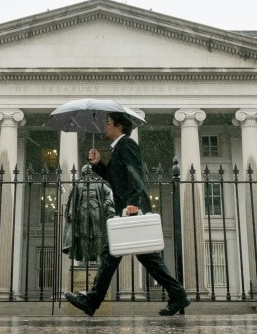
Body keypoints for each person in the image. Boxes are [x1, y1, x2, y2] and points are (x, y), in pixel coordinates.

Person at [64, 112, 191, 316]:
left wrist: (133, 203)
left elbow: (135, 174)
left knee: (111, 254)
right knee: (143, 257)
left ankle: (92, 301)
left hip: (131, 210)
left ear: (119, 126)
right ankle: (178, 294)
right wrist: (98, 165)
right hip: (127, 209)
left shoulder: (127, 145)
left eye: (108, 123)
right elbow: (117, 180)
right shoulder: (119, 148)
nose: (105, 127)